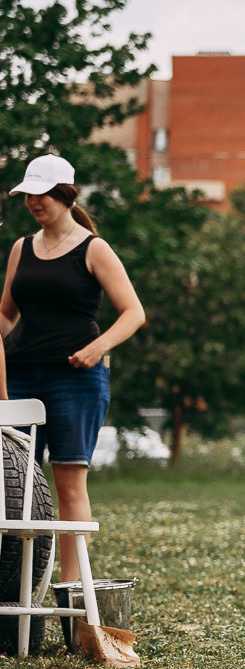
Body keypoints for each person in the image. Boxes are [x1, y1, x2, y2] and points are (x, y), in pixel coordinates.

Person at [0, 153, 146, 582]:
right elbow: (7, 315)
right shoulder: (21, 248)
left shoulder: (94, 248)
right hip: (23, 375)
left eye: (41, 193)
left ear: (65, 194)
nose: (33, 202)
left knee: (67, 484)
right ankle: (20, 586)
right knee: (18, 489)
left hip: (75, 380)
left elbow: (133, 312)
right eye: (27, 195)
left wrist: (97, 349)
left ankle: (69, 587)